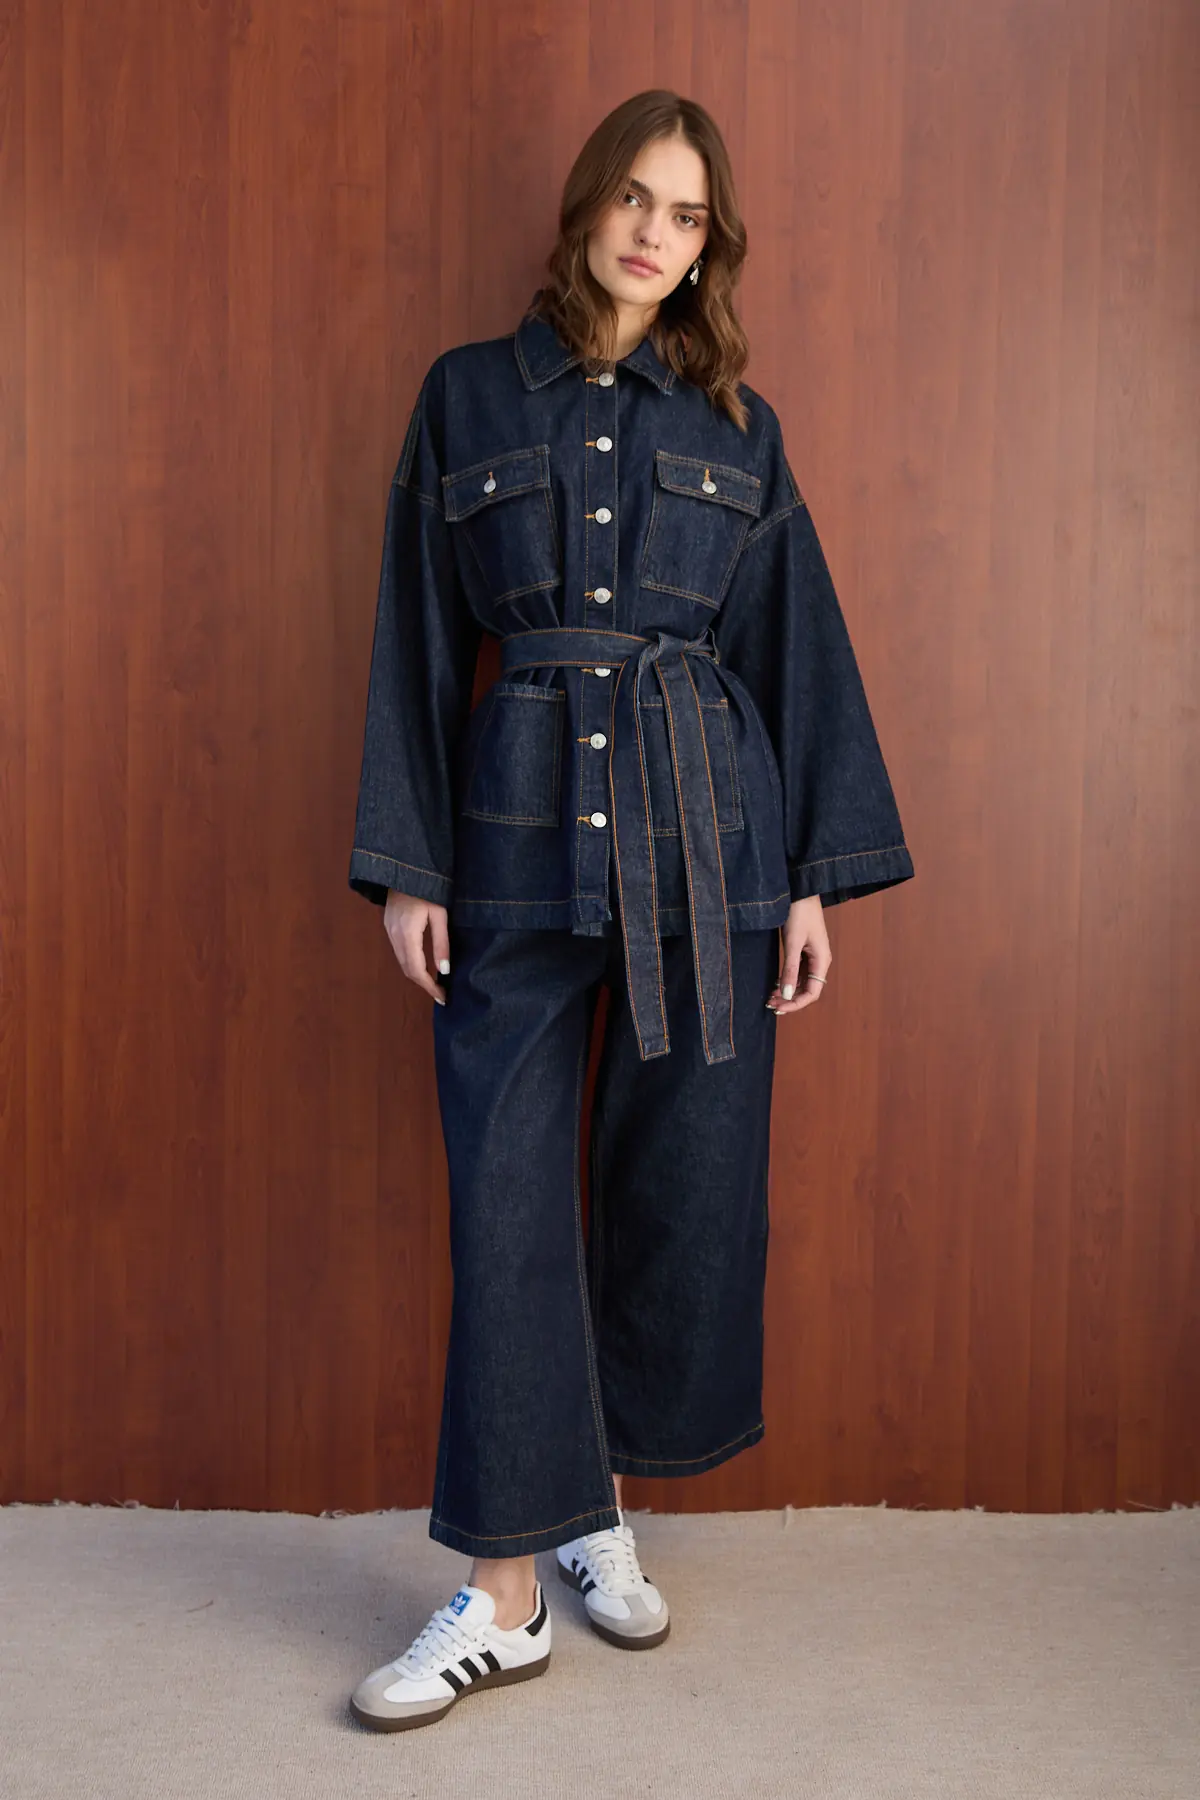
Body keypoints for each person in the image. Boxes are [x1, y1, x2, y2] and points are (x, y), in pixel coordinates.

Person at [345, 89, 914, 1732]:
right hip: (514, 852)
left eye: (689, 215)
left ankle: (587, 1502)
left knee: (678, 1190)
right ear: (590, 203)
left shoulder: (737, 426)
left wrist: (809, 880)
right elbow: (411, 630)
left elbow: (796, 648)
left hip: (707, 856)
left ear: (708, 245)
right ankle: (502, 1595)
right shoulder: (467, 395)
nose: (657, 234)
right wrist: (410, 863)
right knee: (508, 1204)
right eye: (637, 201)